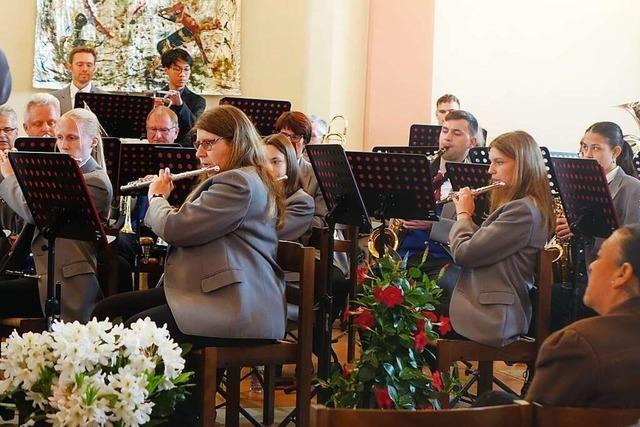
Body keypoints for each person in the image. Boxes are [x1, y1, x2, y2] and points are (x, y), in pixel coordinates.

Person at [0, 109, 113, 322]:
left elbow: (34, 211)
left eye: (72, 137)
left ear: (93, 142)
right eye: (60, 137)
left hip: (61, 282)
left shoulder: (96, 181)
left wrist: (10, 176)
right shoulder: (56, 172)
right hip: (34, 272)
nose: (64, 145)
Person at [447, 131, 555, 347]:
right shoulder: (523, 206)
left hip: (493, 316)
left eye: (499, 162)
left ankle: (439, 381)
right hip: (485, 304)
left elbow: (463, 254)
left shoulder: (522, 211)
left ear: (523, 165)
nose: (490, 170)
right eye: (491, 162)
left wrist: (463, 215)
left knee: (409, 313)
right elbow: (485, 244)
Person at [526, 224, 640, 407]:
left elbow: (537, 419)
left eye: (599, 256)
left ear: (623, 273)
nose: (592, 266)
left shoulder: (576, 345)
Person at [553, 121, 640, 327]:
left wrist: (578, 227)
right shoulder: (579, 183)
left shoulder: (632, 187)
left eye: (596, 148)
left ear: (616, 151)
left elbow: (632, 241)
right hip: (580, 272)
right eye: (584, 147)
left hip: (609, 277)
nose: (588, 154)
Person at [400, 110, 479, 276]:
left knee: (445, 286)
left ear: (472, 142)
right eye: (444, 131)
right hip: (405, 254)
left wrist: (433, 225)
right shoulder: (417, 170)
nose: (447, 137)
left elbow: (478, 233)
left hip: (446, 259)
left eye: (456, 133)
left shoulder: (476, 180)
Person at [264, 133, 314, 241]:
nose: (267, 168)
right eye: (262, 161)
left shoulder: (302, 202)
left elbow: (267, 234)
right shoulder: (260, 192)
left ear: (289, 164)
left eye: (275, 162)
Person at [158, 48, 206, 147]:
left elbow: (196, 129)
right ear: (166, 70)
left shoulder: (198, 101)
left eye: (186, 69)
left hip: (184, 150)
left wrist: (181, 105)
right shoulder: (157, 96)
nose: (182, 74)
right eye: (177, 69)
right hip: (156, 146)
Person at [51, 46, 106, 114]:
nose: (85, 69)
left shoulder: (106, 99)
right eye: (80, 65)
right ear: (70, 67)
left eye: (89, 65)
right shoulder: (53, 98)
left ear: (94, 68)